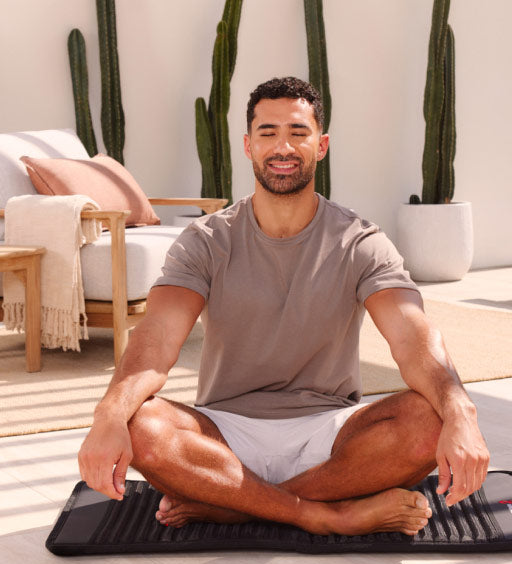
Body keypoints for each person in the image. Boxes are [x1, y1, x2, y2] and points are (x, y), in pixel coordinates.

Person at [78, 76, 489, 536]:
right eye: (268, 133)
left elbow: (414, 337)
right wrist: (108, 416)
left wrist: (461, 414)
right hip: (224, 434)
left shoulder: (361, 241)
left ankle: (233, 505)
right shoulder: (206, 240)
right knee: (142, 425)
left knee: (427, 420)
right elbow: (155, 340)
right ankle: (320, 513)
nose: (283, 147)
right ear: (249, 145)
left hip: (330, 434)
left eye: (298, 132)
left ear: (322, 144)